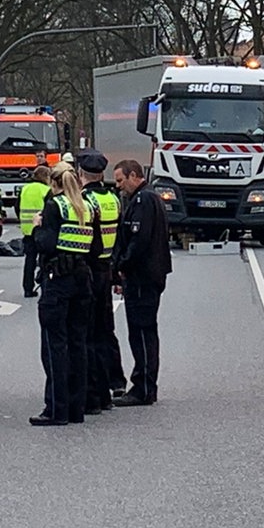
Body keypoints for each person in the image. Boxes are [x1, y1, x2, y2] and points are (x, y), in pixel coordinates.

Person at [29, 161, 98, 426]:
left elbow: (45, 244)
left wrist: (37, 226)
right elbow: (94, 248)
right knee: (78, 344)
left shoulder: (54, 206)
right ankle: (76, 409)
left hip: (57, 281)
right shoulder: (87, 207)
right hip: (83, 280)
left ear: (53, 184)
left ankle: (56, 410)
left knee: (55, 346)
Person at [111, 159, 172, 406]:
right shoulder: (145, 198)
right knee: (141, 331)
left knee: (142, 331)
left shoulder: (143, 200)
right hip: (146, 274)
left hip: (142, 276)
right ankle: (143, 383)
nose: (118, 186)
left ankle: (144, 387)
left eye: (120, 180)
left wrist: (121, 266)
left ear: (134, 175)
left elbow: (139, 240)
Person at [77, 149, 125, 414]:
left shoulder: (87, 201)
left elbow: (87, 238)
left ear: (82, 174)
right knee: (107, 329)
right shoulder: (113, 198)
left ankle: (95, 385)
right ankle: (116, 380)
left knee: (90, 330)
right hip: (107, 267)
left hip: (91, 268)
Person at [18, 165, 51, 297]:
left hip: (27, 229)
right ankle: (43, 284)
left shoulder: (25, 189)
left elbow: (17, 206)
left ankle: (27, 288)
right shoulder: (46, 190)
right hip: (41, 229)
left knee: (29, 261)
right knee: (43, 259)